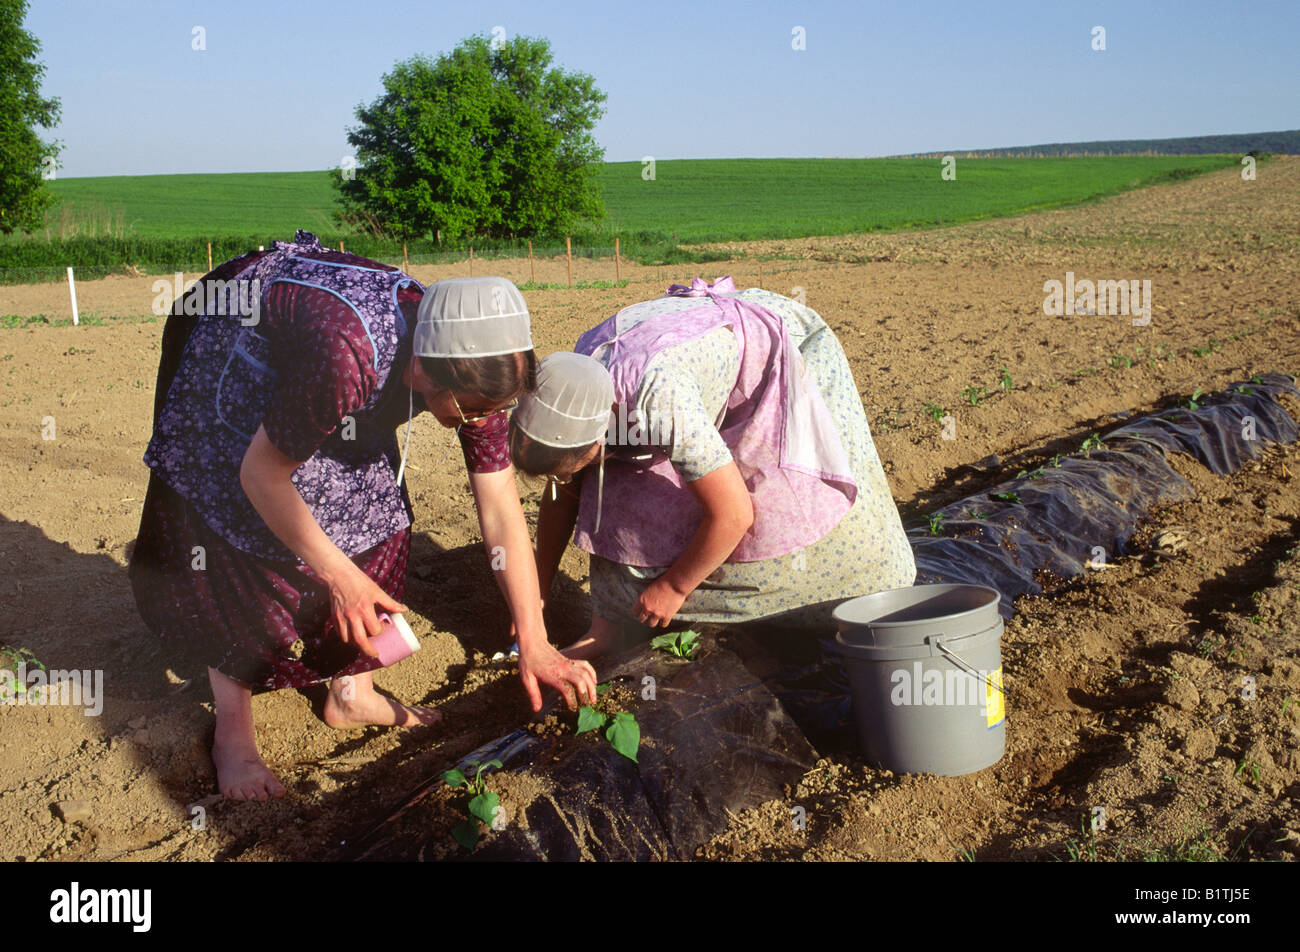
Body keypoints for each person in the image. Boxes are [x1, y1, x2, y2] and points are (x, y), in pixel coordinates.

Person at [129, 231, 595, 801]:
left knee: (376, 512)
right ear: (425, 370)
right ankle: (234, 733)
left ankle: (351, 695)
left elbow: (499, 506)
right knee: (243, 533)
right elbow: (262, 476)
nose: (480, 425)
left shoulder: (484, 366)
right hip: (237, 338)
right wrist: (340, 577)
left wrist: (536, 638)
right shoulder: (348, 355)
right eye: (471, 414)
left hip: (331, 375)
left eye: (492, 414)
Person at [509, 276, 916, 659]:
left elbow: (735, 513)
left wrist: (673, 586)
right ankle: (609, 625)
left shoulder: (660, 399)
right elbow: (564, 495)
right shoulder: (571, 390)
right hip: (685, 364)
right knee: (609, 487)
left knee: (785, 500)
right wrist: (538, 592)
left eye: (566, 469)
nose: (562, 482)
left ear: (597, 436)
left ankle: (860, 591)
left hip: (776, 347)